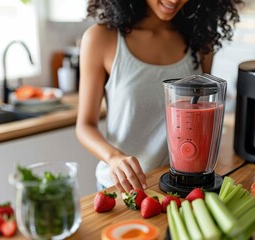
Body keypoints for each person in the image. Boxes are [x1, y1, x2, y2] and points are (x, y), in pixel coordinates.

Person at [76, 0, 243, 193]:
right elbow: (85, 126)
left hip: (180, 186)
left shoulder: (200, 42)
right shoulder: (102, 38)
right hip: (123, 186)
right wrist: (114, 157)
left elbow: (198, 120)